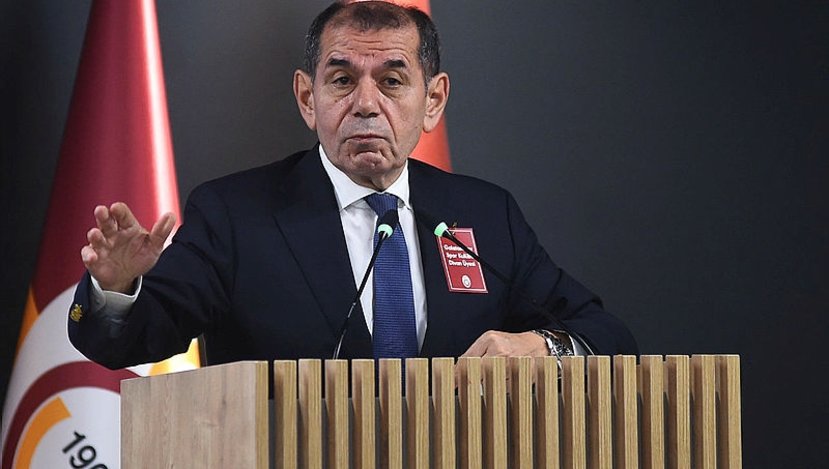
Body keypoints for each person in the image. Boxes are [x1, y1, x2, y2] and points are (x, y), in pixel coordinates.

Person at [68, 1, 637, 370]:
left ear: (433, 100)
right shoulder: (235, 215)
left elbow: (606, 334)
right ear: (307, 98)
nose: (366, 104)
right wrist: (115, 290)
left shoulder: (485, 216)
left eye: (392, 81)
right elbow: (131, 341)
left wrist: (544, 346)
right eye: (342, 80)